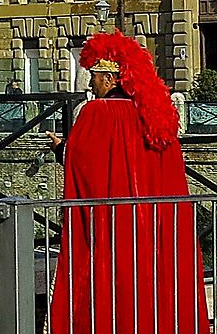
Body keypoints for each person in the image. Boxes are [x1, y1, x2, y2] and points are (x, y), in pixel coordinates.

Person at [50, 32, 208, 334]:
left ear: (110, 78)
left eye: (93, 77)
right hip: (154, 227)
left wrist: (60, 148)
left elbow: (83, 165)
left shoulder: (98, 111)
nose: (90, 85)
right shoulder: (155, 116)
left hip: (115, 224)